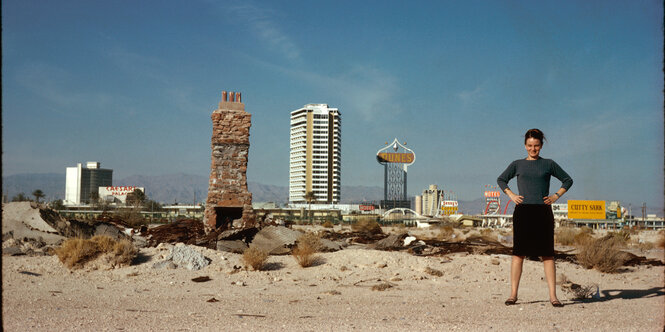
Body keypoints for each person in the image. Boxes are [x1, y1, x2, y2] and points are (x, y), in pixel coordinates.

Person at [497, 128, 573, 308]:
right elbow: (501, 180)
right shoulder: (517, 164)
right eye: (530, 145)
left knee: (547, 254)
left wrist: (555, 196)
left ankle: (553, 297)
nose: (533, 149)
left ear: (541, 146)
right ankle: (513, 295)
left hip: (543, 212)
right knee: (518, 254)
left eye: (536, 146)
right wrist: (511, 195)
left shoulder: (548, 164)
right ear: (525, 146)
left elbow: (567, 180)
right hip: (523, 212)